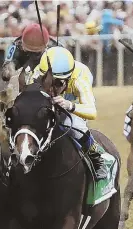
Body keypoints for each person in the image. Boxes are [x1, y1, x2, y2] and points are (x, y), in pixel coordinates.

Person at [32, 46, 108, 180]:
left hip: (72, 100)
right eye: (48, 81)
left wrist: (70, 106)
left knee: (73, 125)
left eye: (57, 83)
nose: (51, 88)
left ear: (67, 79)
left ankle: (97, 159)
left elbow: (92, 111)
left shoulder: (80, 79)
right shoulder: (37, 72)